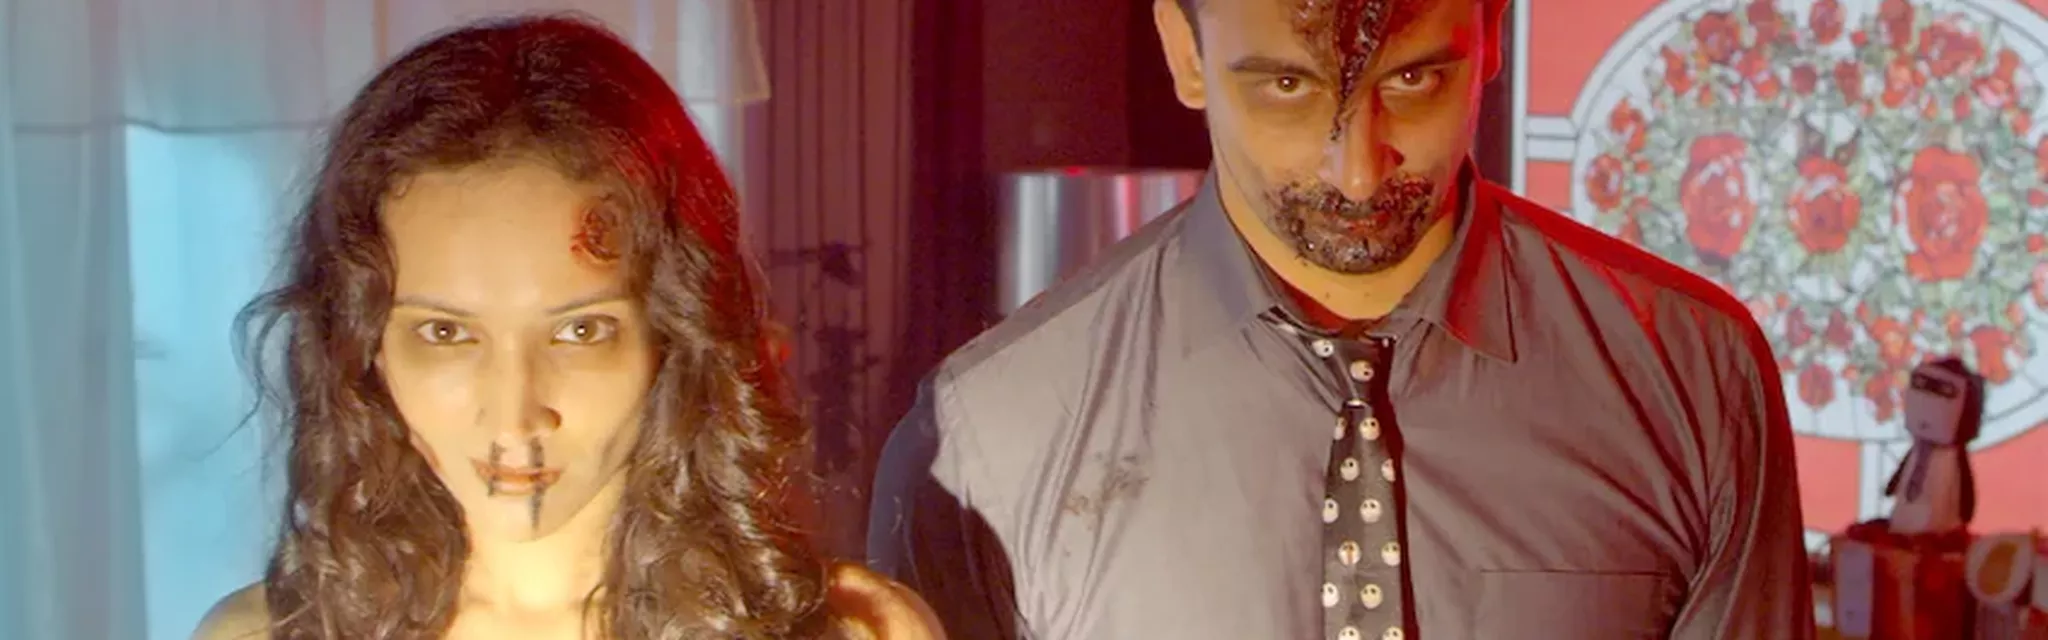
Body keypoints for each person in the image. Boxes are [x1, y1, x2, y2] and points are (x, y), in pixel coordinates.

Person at [867, 0, 1813, 638]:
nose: (1357, 172)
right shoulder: (987, 442)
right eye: (1286, 87)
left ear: (1493, 33)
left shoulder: (1690, 373)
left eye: (1415, 81)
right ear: (1186, 53)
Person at [191, 15, 939, 640]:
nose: (515, 414)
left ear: (675, 337)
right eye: (446, 333)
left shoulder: (859, 632)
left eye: (579, 332)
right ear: (362, 347)